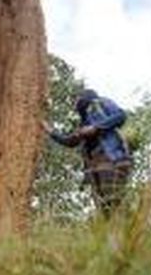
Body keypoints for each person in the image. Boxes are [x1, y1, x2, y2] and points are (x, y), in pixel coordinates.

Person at [42, 89, 132, 217]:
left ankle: (127, 232)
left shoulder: (100, 103)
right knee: (102, 207)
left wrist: (95, 128)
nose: (75, 103)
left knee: (113, 201)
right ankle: (109, 235)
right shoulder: (83, 122)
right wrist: (50, 131)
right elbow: (70, 141)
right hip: (94, 165)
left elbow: (121, 116)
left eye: (77, 98)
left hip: (111, 159)